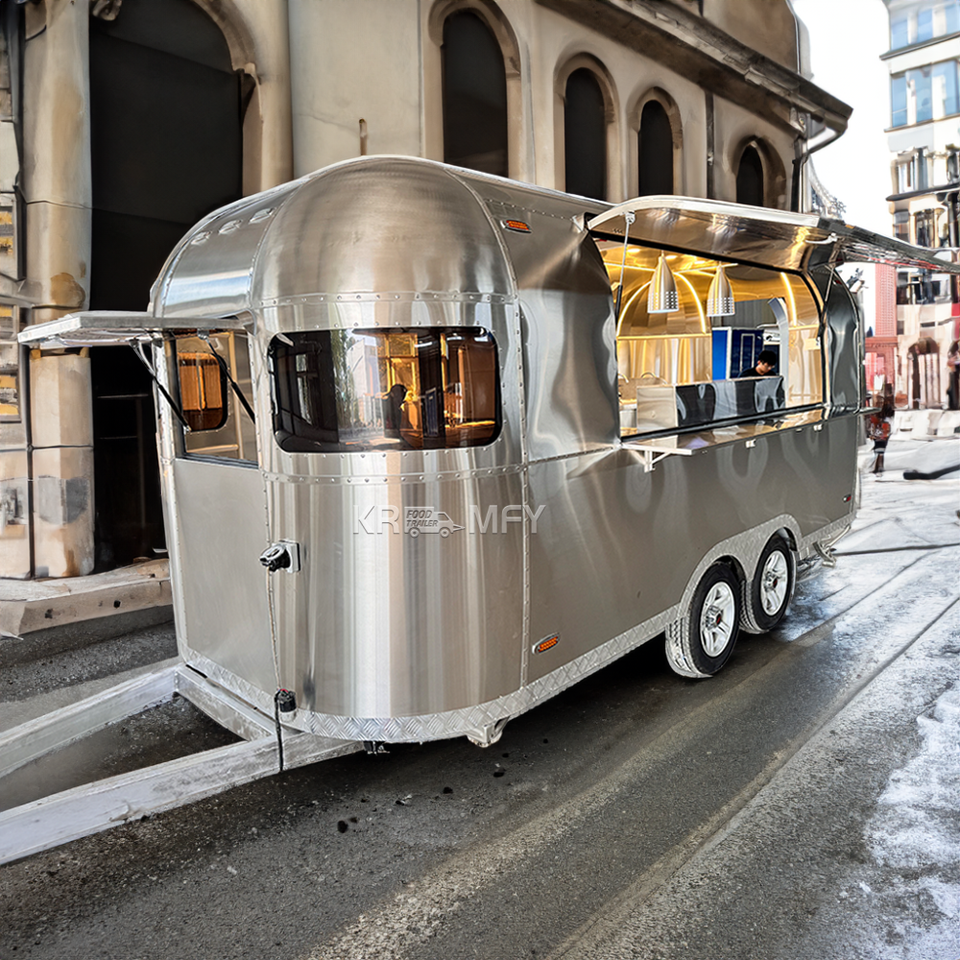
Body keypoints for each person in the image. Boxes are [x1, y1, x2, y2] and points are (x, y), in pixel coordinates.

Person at [866, 399, 894, 475]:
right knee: (881, 452)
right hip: (884, 436)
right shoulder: (889, 418)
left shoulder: (880, 417)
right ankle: (879, 466)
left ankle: (878, 467)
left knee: (878, 452)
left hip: (879, 436)